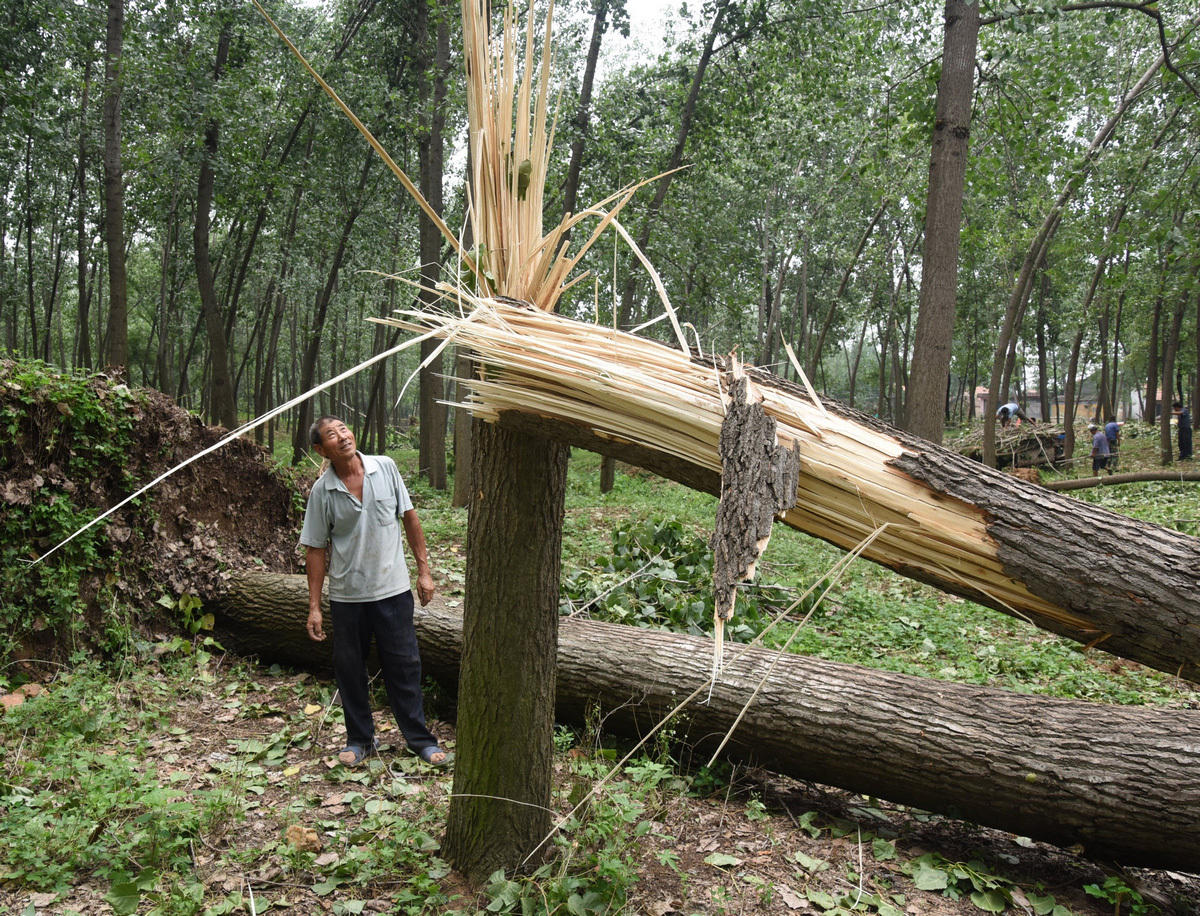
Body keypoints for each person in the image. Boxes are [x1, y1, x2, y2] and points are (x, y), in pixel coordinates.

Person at [300, 415, 448, 767]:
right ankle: (360, 739)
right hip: (348, 597)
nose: (342, 437)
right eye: (331, 436)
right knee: (350, 669)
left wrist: (424, 572)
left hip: (393, 591)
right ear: (322, 450)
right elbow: (315, 550)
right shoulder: (323, 491)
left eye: (343, 429)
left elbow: (410, 518)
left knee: (405, 665)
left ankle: (419, 739)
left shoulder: (386, 467)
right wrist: (315, 606)